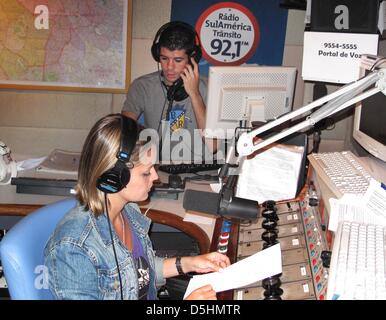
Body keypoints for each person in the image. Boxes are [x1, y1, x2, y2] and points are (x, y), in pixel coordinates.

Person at [44, 113, 230, 300]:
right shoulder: (74, 247)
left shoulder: (127, 211)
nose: (155, 178)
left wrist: (189, 263)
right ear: (114, 176)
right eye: (146, 173)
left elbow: (138, 273)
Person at [122, 21, 216, 163]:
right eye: (164, 58)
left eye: (178, 60)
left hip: (201, 176)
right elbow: (123, 134)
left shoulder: (211, 87)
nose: (169, 67)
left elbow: (212, 145)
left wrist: (195, 94)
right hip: (157, 173)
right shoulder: (142, 86)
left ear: (192, 59)